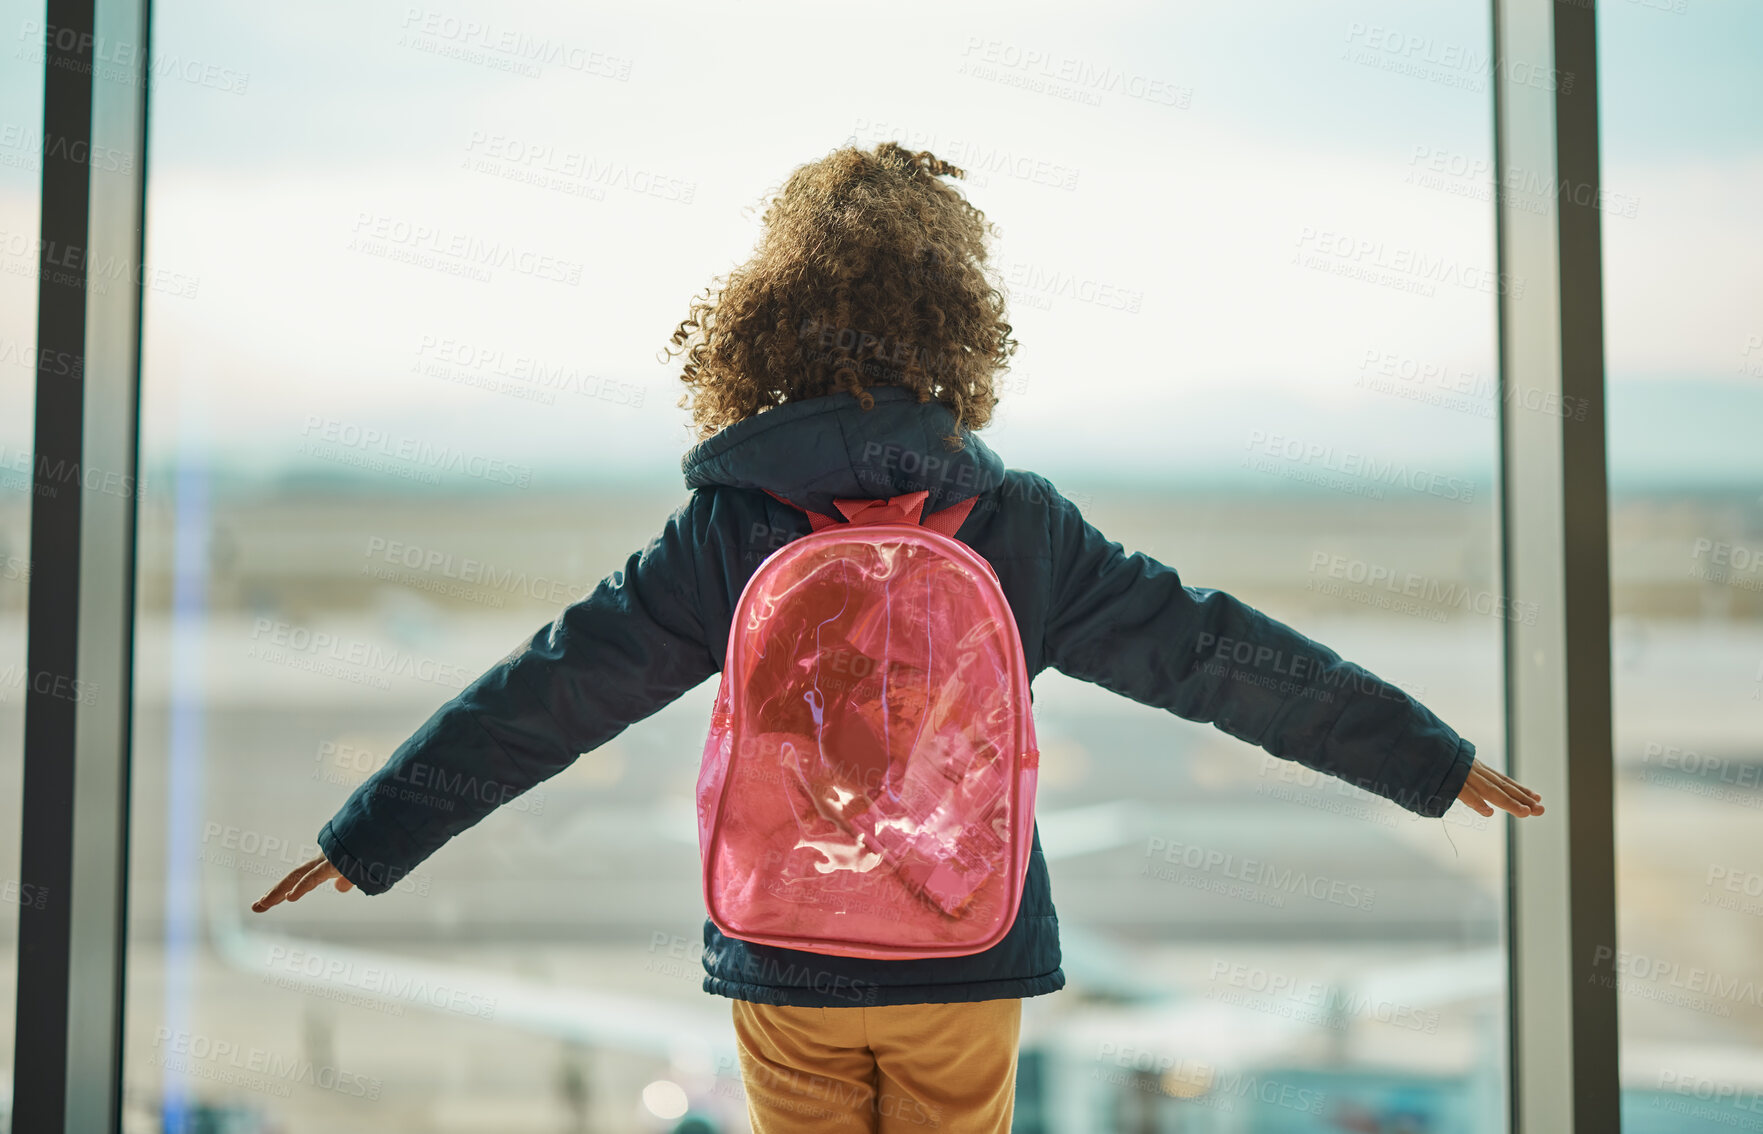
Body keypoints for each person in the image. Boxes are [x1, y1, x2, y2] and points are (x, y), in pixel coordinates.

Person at [254, 141, 1544, 1133]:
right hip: (965, 956)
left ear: (764, 325)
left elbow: (552, 692)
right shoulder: (1023, 529)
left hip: (784, 954)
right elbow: (1217, 656)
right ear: (957, 329)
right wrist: (1425, 761)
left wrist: (370, 834)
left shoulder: (727, 531)